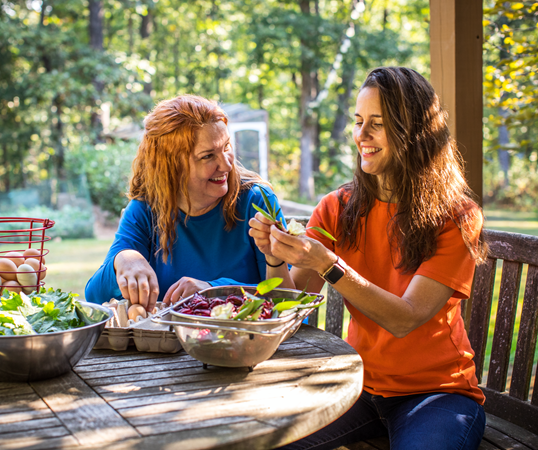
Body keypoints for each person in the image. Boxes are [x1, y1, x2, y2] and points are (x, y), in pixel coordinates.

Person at [249, 67, 489, 450]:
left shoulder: (456, 217)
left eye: (377, 124)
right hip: (352, 386)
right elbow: (290, 306)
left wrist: (328, 263)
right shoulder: (337, 207)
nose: (361, 135)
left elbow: (405, 318)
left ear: (414, 133)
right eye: (359, 122)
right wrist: (275, 257)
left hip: (436, 395)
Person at [86, 94, 284, 311]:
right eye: (208, 156)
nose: (227, 165)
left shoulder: (256, 201)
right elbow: (94, 296)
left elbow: (285, 301)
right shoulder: (146, 209)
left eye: (226, 146)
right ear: (171, 166)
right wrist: (122, 260)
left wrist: (213, 290)